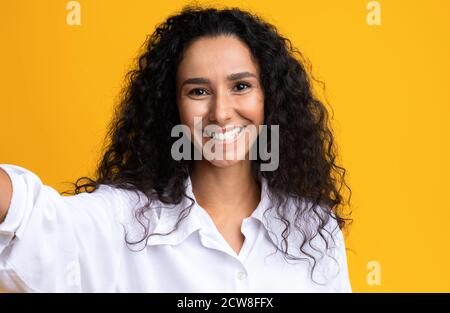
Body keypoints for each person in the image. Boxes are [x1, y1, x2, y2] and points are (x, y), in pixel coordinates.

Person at [0, 5, 352, 292]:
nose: (221, 113)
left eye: (241, 86)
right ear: (174, 109)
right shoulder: (123, 219)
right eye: (198, 91)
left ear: (269, 98)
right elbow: (31, 219)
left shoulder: (314, 228)